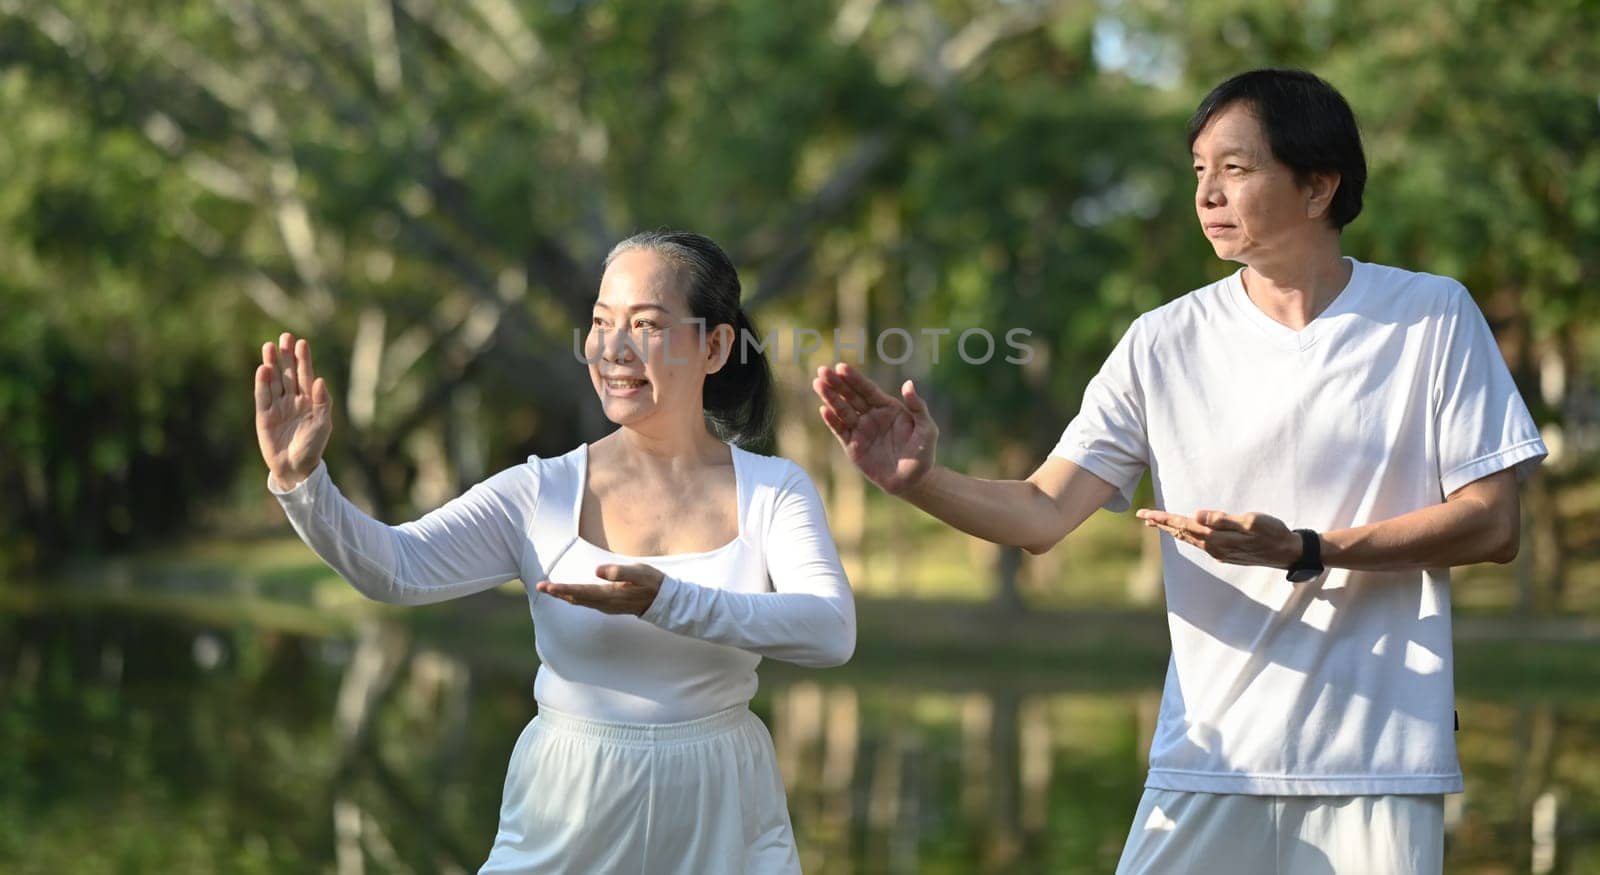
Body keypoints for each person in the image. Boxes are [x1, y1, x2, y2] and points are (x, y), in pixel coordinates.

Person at [812, 69, 1546, 874]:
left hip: (1375, 760)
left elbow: (1493, 519)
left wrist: (1308, 547)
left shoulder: (1431, 316)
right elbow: (1042, 511)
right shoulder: (1163, 342)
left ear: (1318, 185)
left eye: (1236, 168)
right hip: (1209, 757)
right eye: (1198, 169)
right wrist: (921, 481)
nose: (1207, 193)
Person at [255, 229, 855, 874]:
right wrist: (301, 484)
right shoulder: (540, 491)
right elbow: (397, 569)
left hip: (725, 810)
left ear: (714, 346)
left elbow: (830, 630)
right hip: (570, 804)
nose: (613, 349)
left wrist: (668, 600)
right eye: (601, 323)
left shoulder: (773, 489)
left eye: (646, 325)